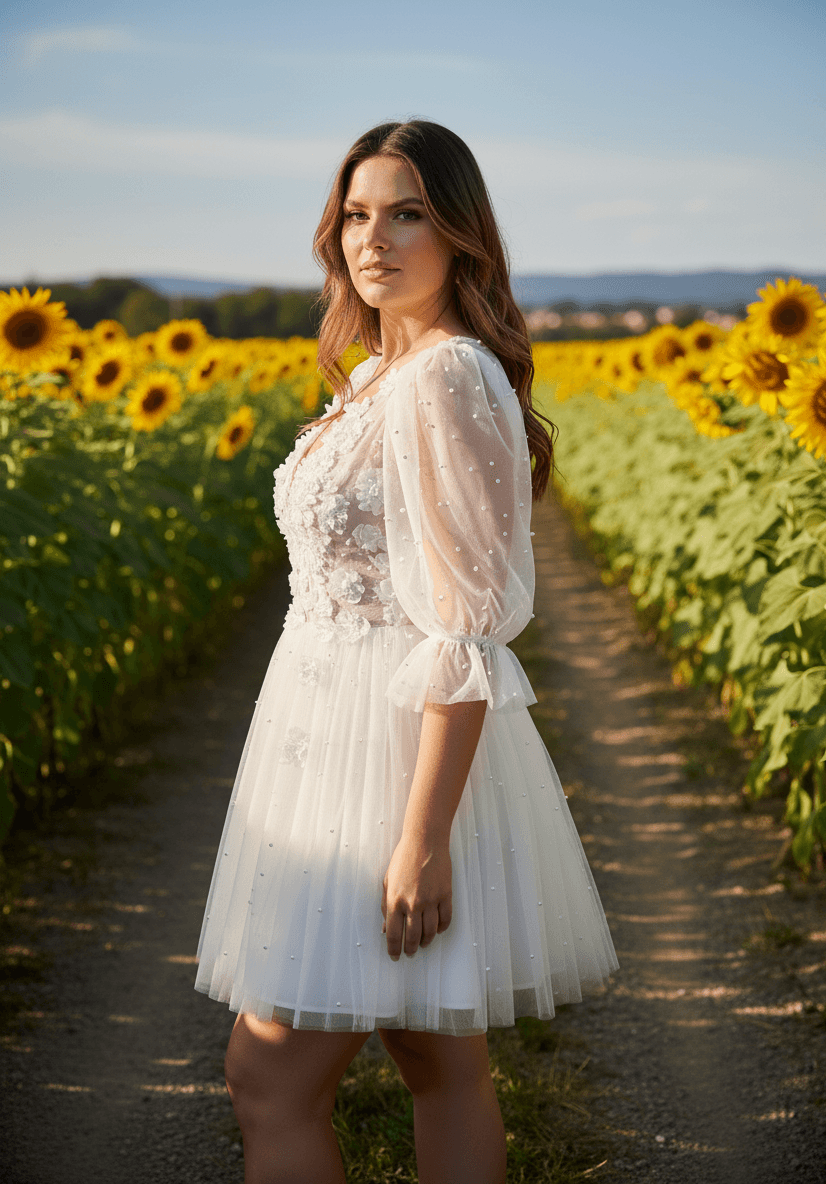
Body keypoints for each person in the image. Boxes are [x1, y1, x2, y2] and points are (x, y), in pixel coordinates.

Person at [194, 118, 618, 1184]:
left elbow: (465, 626)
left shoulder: (445, 377)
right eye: (355, 215)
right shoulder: (383, 371)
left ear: (461, 232)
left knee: (269, 1076)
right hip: (326, 738)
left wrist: (422, 838)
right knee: (435, 1055)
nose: (372, 239)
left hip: (387, 764)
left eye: (408, 213)